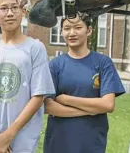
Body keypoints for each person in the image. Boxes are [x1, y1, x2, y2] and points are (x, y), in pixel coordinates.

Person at [0, 0, 55, 153]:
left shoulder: (35, 48)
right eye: (4, 8)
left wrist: (8, 135)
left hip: (22, 139)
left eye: (15, 8)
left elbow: (38, 96)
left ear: (24, 12)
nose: (10, 13)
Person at [43, 12, 125, 153]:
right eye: (67, 28)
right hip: (59, 142)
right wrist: (91, 110)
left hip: (91, 142)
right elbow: (48, 107)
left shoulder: (103, 63)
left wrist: (66, 99)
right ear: (61, 32)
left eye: (78, 27)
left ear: (89, 31)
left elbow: (107, 104)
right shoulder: (55, 65)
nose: (72, 33)